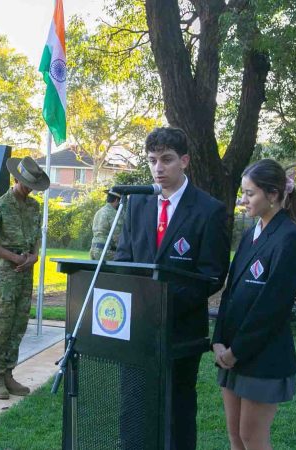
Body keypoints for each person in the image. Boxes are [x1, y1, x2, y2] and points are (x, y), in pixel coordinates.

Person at [115, 127, 230, 450]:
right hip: (136, 331)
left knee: (177, 411)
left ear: (185, 161)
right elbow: (125, 259)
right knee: (134, 408)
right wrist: (137, 306)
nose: (158, 168)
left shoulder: (209, 210)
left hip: (181, 332)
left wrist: (162, 305)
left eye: (166, 160)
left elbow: (212, 275)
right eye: (152, 160)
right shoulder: (136, 204)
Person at [212, 159, 296, 450]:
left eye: (250, 193)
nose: (243, 200)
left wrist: (236, 351)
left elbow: (272, 307)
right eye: (243, 193)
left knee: (252, 437)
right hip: (230, 352)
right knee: (235, 436)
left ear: (274, 194)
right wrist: (218, 341)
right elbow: (231, 292)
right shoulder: (252, 233)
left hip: (261, 355)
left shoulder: (289, 238)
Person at [0, 156, 50, 400]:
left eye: (32, 185)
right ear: (16, 179)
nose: (29, 188)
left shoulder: (33, 207)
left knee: (19, 324)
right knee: (2, 324)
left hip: (25, 271)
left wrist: (33, 257)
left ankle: (9, 372)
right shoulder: (0, 205)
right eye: (26, 183)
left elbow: (36, 239)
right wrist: (15, 258)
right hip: (7, 274)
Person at [89, 188, 121, 260]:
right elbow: (117, 236)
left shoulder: (99, 211)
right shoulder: (113, 213)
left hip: (93, 250)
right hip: (105, 251)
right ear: (116, 200)